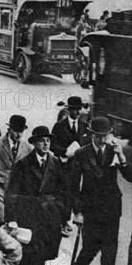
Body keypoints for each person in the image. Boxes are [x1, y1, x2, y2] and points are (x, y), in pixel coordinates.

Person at [68, 116, 132, 265]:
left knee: (109, 256)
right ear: (91, 134)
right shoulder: (81, 154)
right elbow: (73, 187)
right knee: (90, 249)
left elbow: (130, 177)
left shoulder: (115, 152)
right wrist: (77, 212)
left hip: (112, 211)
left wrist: (122, 158)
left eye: (106, 135)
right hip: (91, 211)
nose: (103, 140)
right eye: (99, 136)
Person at [5, 126, 68, 265]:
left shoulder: (55, 162)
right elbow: (11, 193)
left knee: (43, 255)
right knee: (30, 253)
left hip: (48, 215)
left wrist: (62, 212)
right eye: (42, 140)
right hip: (29, 214)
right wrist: (13, 219)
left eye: (48, 140)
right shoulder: (23, 164)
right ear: (34, 143)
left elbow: (63, 189)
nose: (46, 143)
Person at [0, 114, 32, 223]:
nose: (19, 134)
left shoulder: (26, 147)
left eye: (21, 131)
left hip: (16, 188)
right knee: (2, 215)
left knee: (16, 217)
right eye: (16, 130)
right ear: (9, 129)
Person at [50, 95, 89, 230]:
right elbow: (51, 145)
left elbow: (87, 145)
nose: (77, 112)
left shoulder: (84, 126)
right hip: (63, 165)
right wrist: (64, 151)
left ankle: (74, 215)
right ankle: (63, 221)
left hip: (77, 166)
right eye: (74, 110)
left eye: (79, 109)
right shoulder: (59, 126)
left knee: (75, 190)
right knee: (64, 192)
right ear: (69, 110)